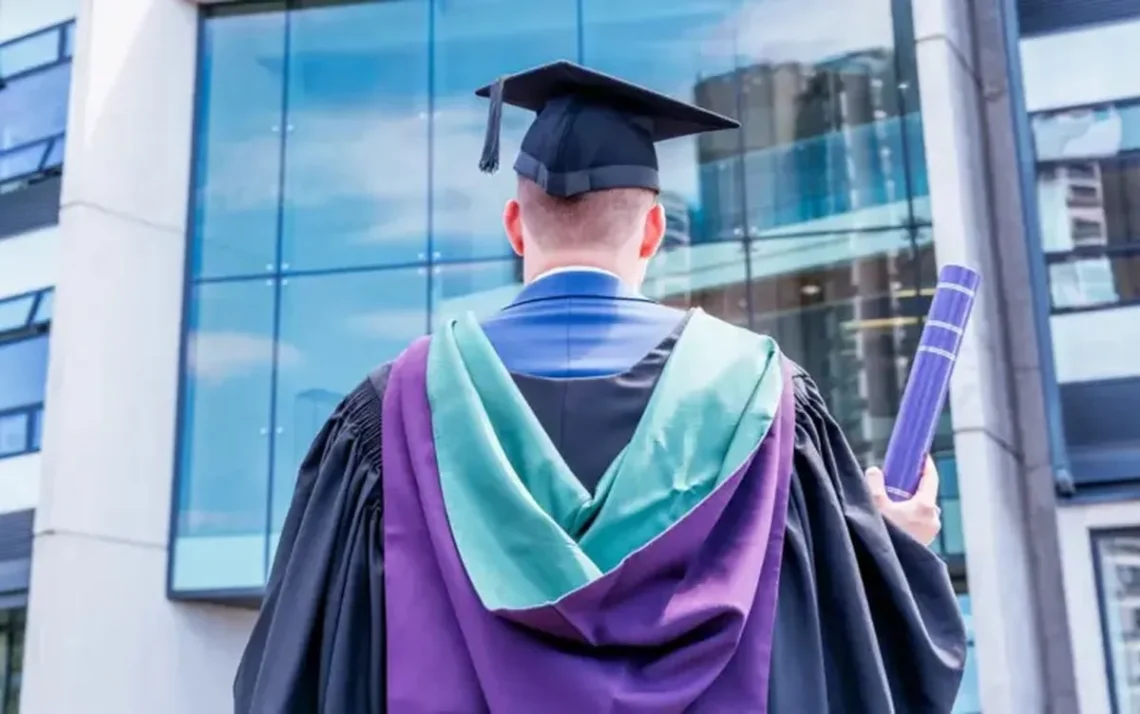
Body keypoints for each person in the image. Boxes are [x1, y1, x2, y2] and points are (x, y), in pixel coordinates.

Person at [234, 60, 965, 713]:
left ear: (515, 227)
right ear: (652, 234)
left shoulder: (392, 413)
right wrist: (892, 550)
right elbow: (852, 660)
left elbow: (293, 675)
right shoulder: (762, 399)